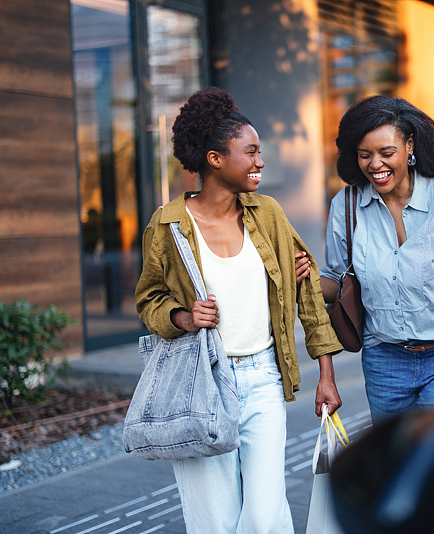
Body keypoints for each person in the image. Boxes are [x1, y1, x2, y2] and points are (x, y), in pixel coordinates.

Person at [134, 86, 342, 534]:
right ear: (214, 159)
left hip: (263, 379)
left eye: (259, 152)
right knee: (216, 519)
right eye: (250, 152)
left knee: (267, 518)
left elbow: (307, 295)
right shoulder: (169, 225)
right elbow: (148, 297)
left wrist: (325, 374)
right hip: (201, 383)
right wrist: (182, 317)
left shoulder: (267, 213)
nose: (260, 161)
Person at [321, 95, 434, 425]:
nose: (375, 165)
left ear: (410, 146)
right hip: (382, 361)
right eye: (364, 155)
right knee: (394, 468)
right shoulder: (347, 205)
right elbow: (335, 278)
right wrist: (300, 276)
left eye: (387, 153)